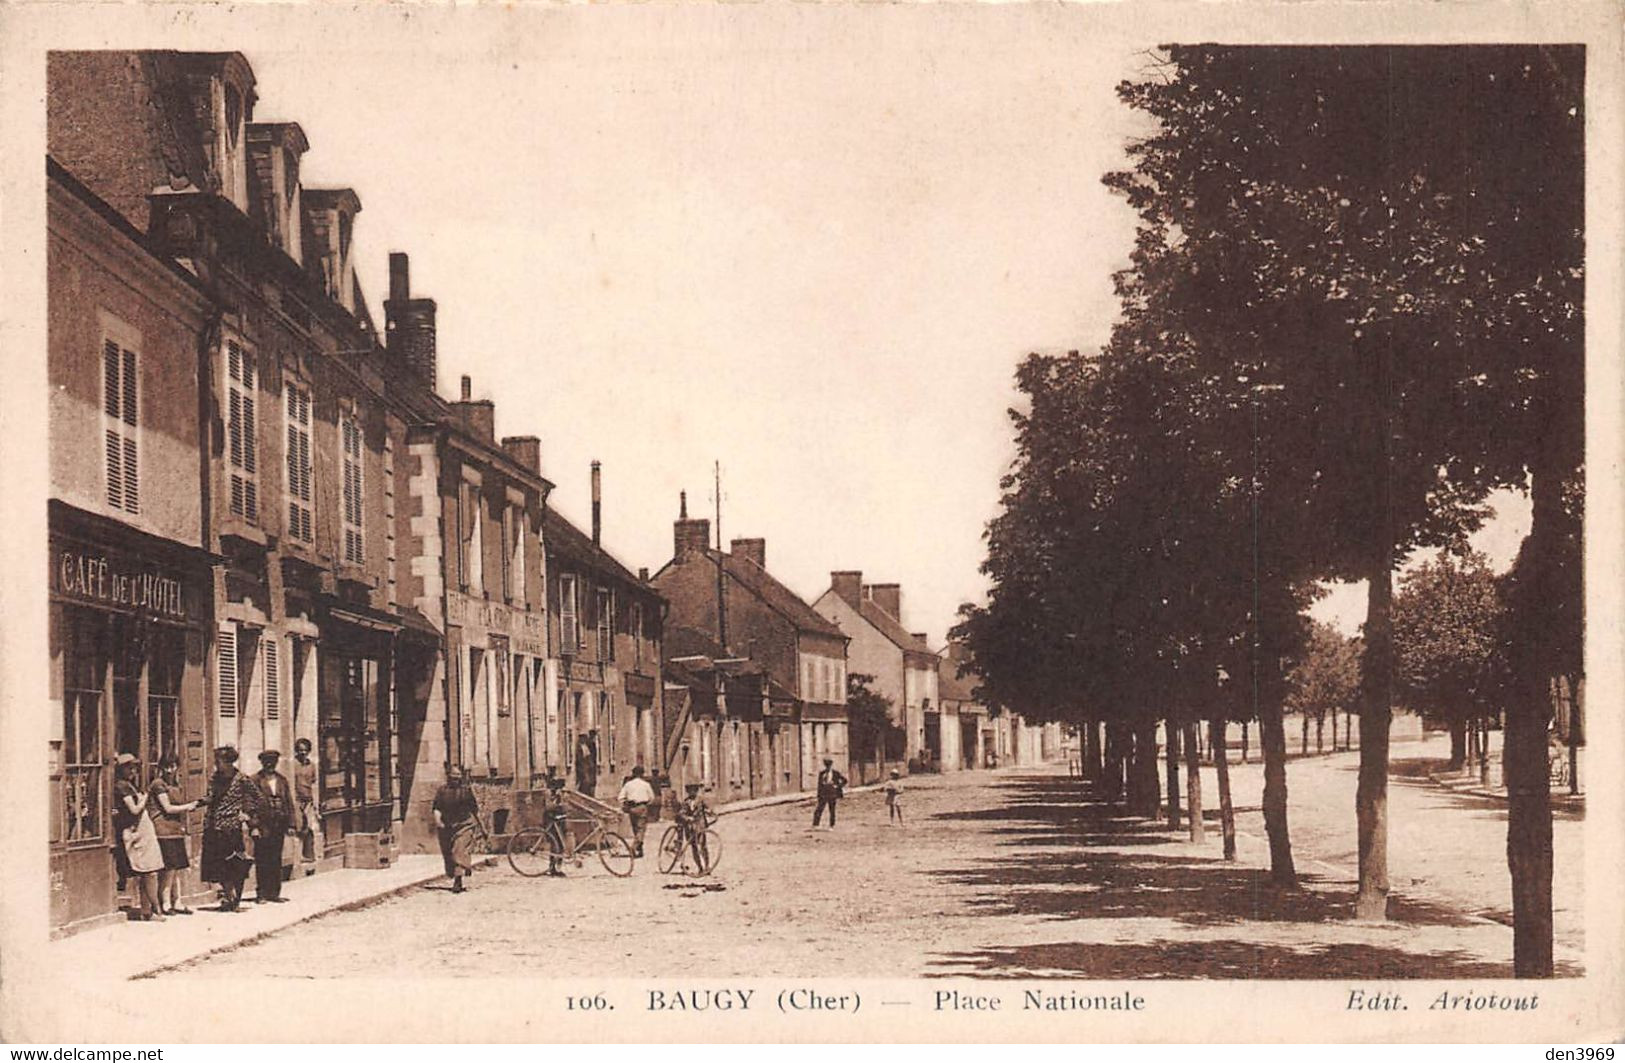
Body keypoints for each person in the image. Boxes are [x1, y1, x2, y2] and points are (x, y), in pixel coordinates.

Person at [201, 746, 255, 912]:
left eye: (219, 761)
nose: (216, 764)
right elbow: (210, 797)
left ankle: (235, 899)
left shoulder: (241, 779)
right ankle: (228, 896)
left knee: (236, 865)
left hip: (232, 828)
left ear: (229, 762)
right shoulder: (215, 778)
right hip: (214, 827)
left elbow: (256, 796)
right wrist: (200, 803)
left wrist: (247, 813)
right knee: (218, 866)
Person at [149, 753, 203, 915]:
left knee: (177, 868)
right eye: (167, 766)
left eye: (173, 766)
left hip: (175, 829)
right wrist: (189, 806)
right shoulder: (158, 784)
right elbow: (168, 808)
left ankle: (177, 901)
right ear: (161, 768)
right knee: (169, 868)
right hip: (163, 830)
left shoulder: (175, 784)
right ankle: (164, 903)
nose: (170, 770)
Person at [112, 754, 165, 921]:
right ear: (121, 769)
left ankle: (147, 911)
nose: (133, 771)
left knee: (148, 872)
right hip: (137, 832)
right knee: (150, 873)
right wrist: (144, 799)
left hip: (143, 831)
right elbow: (134, 809)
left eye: (134, 767)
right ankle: (155, 910)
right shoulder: (122, 786)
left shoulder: (129, 785)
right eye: (130, 767)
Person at [247, 749, 295, 903]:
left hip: (278, 825)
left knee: (276, 859)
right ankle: (261, 893)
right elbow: (249, 805)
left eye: (273, 762)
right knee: (262, 859)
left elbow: (289, 802)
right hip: (262, 825)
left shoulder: (282, 780)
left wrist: (291, 824)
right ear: (262, 763)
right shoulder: (255, 780)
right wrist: (253, 826)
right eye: (267, 762)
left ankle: (274, 893)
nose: (270, 765)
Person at [431, 767, 481, 893]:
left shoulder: (466, 791)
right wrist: (438, 821)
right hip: (447, 827)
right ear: (449, 776)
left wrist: (482, 828)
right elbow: (437, 808)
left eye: (458, 776)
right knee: (448, 855)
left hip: (465, 825)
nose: (456, 779)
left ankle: (458, 880)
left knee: (459, 850)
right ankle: (459, 870)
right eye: (454, 776)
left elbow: (474, 810)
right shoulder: (442, 791)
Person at [291, 738, 319, 875]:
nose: (303, 752)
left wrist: (315, 804)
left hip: (308, 799)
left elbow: (313, 783)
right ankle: (298, 857)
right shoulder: (292, 764)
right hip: (296, 799)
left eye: (305, 750)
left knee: (309, 828)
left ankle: (309, 856)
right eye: (300, 750)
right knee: (298, 826)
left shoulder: (311, 765)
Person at [617, 765, 656, 857]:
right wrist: (646, 804)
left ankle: (640, 850)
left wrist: (626, 804)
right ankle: (633, 848)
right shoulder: (646, 784)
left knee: (636, 829)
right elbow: (652, 798)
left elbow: (620, 798)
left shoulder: (628, 784)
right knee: (641, 829)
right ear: (642, 774)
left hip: (632, 808)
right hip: (642, 807)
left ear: (633, 774)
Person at [674, 783, 713, 870]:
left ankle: (707, 866)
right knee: (694, 847)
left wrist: (710, 811)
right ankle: (700, 867)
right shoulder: (685, 802)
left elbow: (707, 808)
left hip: (700, 825)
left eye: (694, 790)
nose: (692, 792)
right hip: (690, 827)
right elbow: (681, 813)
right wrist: (687, 818)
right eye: (690, 791)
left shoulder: (701, 800)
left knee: (703, 845)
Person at [541, 775, 569, 877]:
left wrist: (561, 801)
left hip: (560, 821)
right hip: (550, 821)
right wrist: (558, 801)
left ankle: (558, 868)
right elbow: (549, 807)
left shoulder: (560, 794)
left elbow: (565, 807)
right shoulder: (548, 793)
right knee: (554, 845)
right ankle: (551, 868)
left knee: (561, 845)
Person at [812, 757, 847, 829]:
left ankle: (831, 825)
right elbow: (819, 785)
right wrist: (819, 794)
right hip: (824, 794)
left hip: (832, 793)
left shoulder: (835, 773)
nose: (828, 767)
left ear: (831, 765)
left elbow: (845, 780)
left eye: (829, 765)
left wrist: (837, 786)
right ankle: (815, 824)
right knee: (819, 809)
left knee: (832, 810)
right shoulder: (822, 773)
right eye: (826, 765)